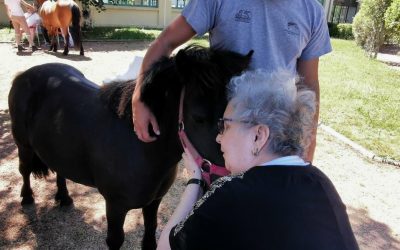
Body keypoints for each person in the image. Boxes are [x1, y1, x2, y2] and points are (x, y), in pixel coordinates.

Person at [156, 70, 359, 250]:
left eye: (225, 126)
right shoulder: (321, 182)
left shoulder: (232, 193)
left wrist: (195, 181)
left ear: (258, 136)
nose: (219, 138)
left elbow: (165, 247)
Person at [131, 0, 332, 162]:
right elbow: (165, 41)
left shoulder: (312, 12)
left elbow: (309, 84)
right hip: (226, 125)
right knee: (220, 201)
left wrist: (309, 141)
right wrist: (140, 98)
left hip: (279, 130)